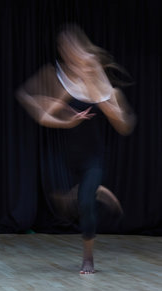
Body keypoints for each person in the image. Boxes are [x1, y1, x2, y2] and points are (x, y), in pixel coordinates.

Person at [17, 24, 136, 274]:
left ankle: (88, 259)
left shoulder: (103, 87)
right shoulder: (64, 83)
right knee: (69, 205)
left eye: (74, 49)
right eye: (65, 49)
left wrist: (103, 99)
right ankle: (95, 191)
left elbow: (123, 126)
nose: (70, 54)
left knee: (84, 202)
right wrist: (66, 121)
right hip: (70, 157)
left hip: (94, 157)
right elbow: (44, 117)